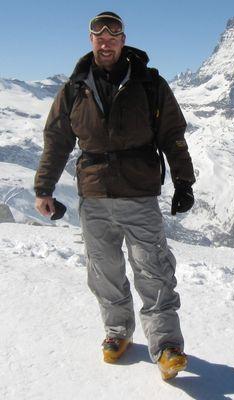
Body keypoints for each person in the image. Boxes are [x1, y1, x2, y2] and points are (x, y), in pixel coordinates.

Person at [34, 11, 195, 380]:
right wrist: (44, 188)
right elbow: (57, 140)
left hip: (139, 193)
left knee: (153, 270)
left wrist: (184, 182)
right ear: (90, 39)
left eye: (113, 34)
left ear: (123, 39)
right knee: (103, 272)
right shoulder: (75, 87)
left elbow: (172, 134)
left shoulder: (150, 84)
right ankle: (117, 333)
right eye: (98, 34)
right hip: (94, 196)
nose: (106, 40)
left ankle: (167, 346)